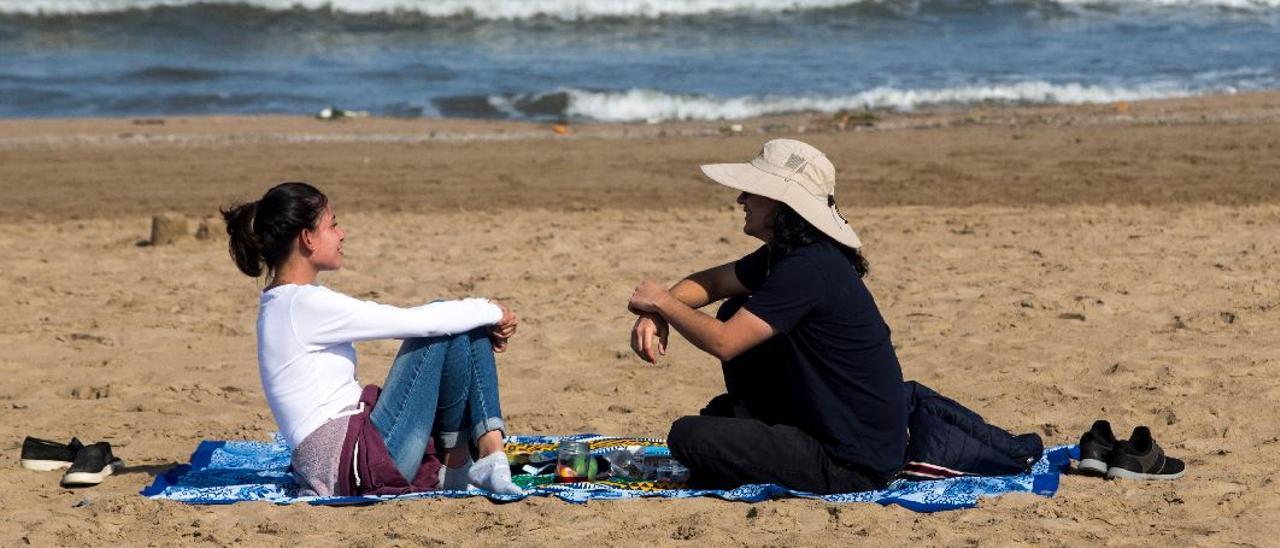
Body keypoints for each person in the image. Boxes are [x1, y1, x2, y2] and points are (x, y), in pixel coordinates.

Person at [626, 139, 908, 494]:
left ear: (780, 203)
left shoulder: (808, 269)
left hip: (851, 462)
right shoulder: (791, 256)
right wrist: (657, 313)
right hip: (833, 428)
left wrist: (664, 304)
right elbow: (713, 283)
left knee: (688, 436)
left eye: (751, 191)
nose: (740, 200)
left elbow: (724, 342)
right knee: (723, 386)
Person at [222, 182, 522, 496]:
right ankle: (484, 452)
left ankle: (471, 460)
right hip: (352, 464)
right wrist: (492, 311)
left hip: (343, 457)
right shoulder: (302, 305)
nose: (342, 234)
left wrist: (479, 316)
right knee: (443, 317)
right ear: (307, 238)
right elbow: (415, 323)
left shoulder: (284, 303)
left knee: (460, 321)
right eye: (332, 225)